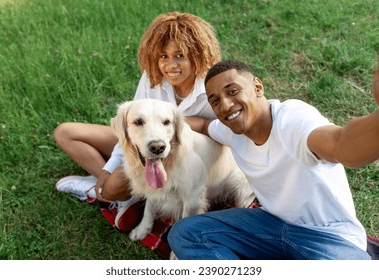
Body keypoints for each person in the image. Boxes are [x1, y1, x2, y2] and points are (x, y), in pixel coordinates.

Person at [168, 59, 379, 260]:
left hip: (328, 237)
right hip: (272, 225)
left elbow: (341, 144)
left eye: (233, 92)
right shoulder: (231, 130)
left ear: (257, 87)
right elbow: (205, 125)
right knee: (185, 234)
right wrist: (160, 123)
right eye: (215, 101)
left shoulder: (292, 120)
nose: (225, 105)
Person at [53, 12, 221, 231]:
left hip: (187, 160)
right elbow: (133, 129)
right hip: (147, 147)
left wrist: (193, 123)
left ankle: (109, 194)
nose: (170, 65)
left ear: (197, 55)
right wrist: (107, 169)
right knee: (65, 132)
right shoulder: (153, 77)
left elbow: (226, 136)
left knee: (113, 186)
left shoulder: (213, 87)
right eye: (163, 56)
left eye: (180, 55)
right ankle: (108, 190)